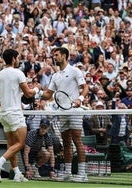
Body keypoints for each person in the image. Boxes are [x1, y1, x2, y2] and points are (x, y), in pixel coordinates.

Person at [0, 49, 41, 183]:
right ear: (13, 59)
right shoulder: (18, 73)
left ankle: (17, 173)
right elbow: (29, 94)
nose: (18, 60)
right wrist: (37, 89)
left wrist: (1, 111)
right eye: (17, 58)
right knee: (20, 144)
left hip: (4, 114)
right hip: (15, 114)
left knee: (11, 144)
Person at [41, 47, 89, 182]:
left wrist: (80, 99)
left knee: (77, 140)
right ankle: (68, 172)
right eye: (54, 55)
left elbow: (85, 87)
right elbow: (48, 94)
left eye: (56, 55)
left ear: (64, 56)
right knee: (66, 142)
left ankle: (82, 174)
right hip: (62, 112)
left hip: (74, 111)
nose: (54, 57)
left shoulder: (74, 71)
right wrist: (37, 93)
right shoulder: (55, 76)